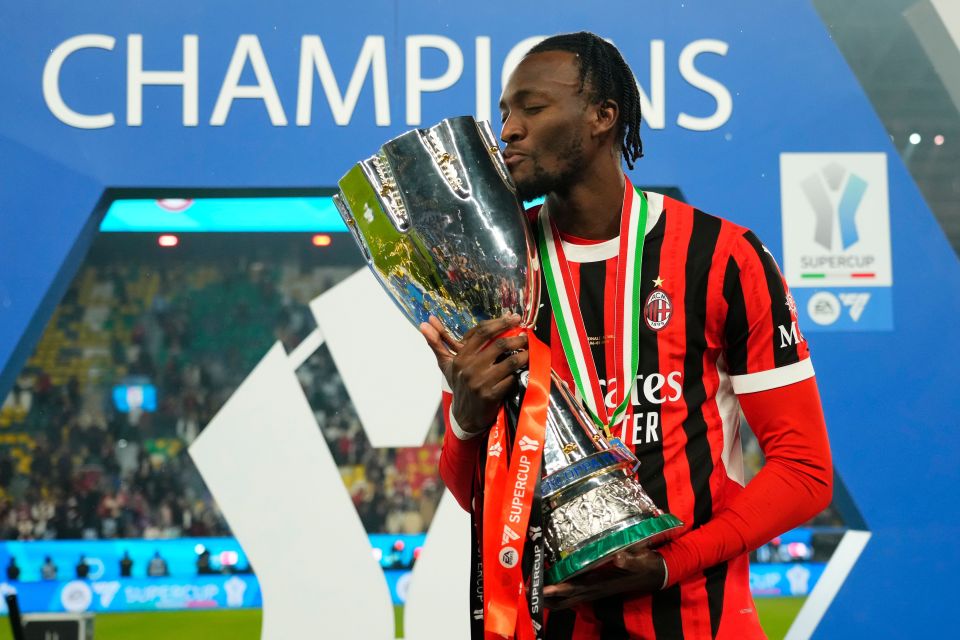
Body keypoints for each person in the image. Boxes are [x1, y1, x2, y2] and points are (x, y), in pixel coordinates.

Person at [420, 31, 832, 639]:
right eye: (504, 113)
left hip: (696, 618)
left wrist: (669, 565)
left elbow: (804, 470)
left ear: (602, 117)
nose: (506, 130)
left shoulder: (723, 256)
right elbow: (474, 496)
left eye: (531, 109)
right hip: (549, 621)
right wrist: (468, 419)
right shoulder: (494, 271)